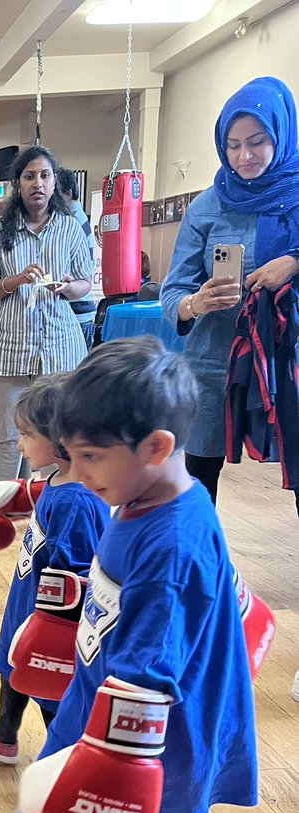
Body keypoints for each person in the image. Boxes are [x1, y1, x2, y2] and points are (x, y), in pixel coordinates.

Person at [0, 338, 257, 813]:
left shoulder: (173, 544)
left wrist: (104, 771)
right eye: (70, 455)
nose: (75, 471)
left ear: (155, 447)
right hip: (94, 703)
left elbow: (150, 670)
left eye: (89, 457)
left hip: (157, 740)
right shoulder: (136, 495)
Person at [0, 376, 108, 762]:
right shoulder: (58, 480)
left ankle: (66, 757)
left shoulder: (77, 501)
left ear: (61, 438)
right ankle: (4, 736)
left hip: (51, 618)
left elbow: (72, 573)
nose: (19, 444)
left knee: (49, 684)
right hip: (28, 600)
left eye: (26, 435)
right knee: (12, 666)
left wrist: (48, 629)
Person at [161, 76, 299, 506]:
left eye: (257, 141)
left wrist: (294, 261)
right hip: (215, 360)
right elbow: (174, 290)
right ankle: (198, 569)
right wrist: (193, 303)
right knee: (197, 479)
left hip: (287, 360)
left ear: (281, 134)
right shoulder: (206, 206)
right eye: (233, 145)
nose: (244, 156)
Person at [0, 146, 93, 480]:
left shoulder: (70, 229)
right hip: (6, 349)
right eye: (29, 176)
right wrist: (14, 280)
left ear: (54, 183)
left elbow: (85, 282)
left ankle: (52, 507)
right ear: (18, 184)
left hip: (60, 348)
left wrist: (68, 287)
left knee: (57, 435)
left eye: (45, 175)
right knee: (9, 438)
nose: (37, 182)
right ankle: (9, 509)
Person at [56, 167, 97, 349]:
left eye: (56, 192)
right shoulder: (75, 218)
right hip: (76, 311)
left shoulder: (74, 222)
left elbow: (79, 273)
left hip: (78, 312)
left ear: (68, 194)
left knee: (75, 375)